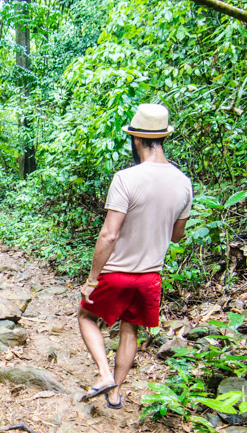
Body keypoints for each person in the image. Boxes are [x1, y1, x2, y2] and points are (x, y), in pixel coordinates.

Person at [77, 103, 193, 409]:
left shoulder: (126, 178)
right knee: (130, 328)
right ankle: (115, 394)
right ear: (163, 137)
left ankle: (104, 375)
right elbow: (176, 236)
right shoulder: (184, 183)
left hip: (117, 272)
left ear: (137, 139)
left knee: (86, 316)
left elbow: (109, 234)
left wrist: (92, 279)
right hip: (150, 277)